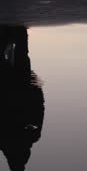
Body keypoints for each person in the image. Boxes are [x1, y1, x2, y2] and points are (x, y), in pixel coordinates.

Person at [0, 26, 44, 171]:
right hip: (8, 90)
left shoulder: (31, 137)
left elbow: (39, 111)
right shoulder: (3, 141)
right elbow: (39, 112)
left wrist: (38, 92)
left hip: (21, 89)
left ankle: (16, 31)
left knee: (21, 55)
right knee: (14, 57)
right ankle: (8, 31)